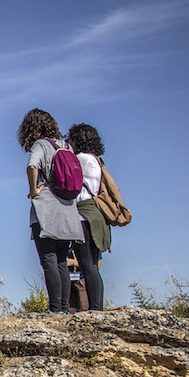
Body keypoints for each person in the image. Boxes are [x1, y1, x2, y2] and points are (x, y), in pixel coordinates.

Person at [17, 109, 84, 313]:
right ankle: (64, 307)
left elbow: (32, 166)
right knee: (62, 260)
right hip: (67, 206)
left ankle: (55, 308)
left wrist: (33, 190)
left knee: (48, 259)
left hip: (46, 207)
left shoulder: (40, 145)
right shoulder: (66, 147)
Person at [67, 123, 111, 311]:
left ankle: (95, 309)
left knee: (87, 265)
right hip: (95, 214)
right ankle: (96, 307)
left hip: (83, 214)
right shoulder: (96, 159)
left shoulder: (80, 159)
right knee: (92, 264)